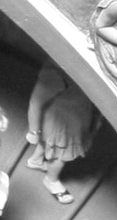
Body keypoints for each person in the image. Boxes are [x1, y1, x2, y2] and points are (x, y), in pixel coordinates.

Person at [20, 62, 100, 203]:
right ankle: (51, 180)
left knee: (49, 143)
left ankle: (36, 160)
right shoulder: (55, 74)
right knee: (60, 156)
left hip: (71, 116)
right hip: (61, 124)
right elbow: (35, 102)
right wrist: (33, 131)